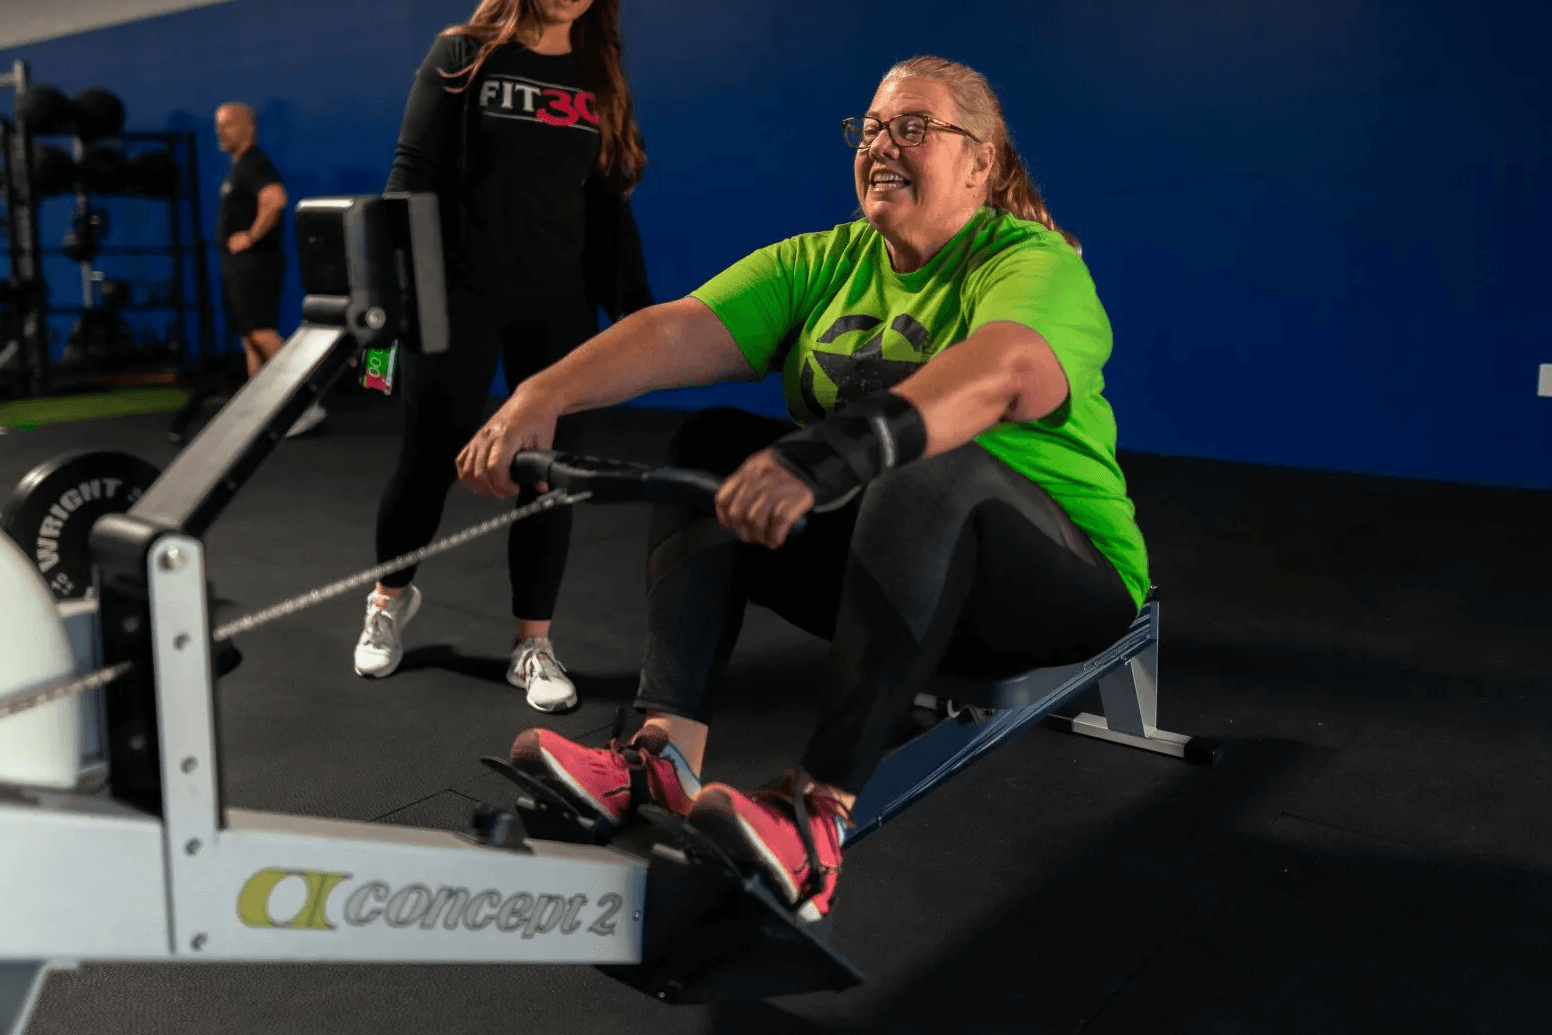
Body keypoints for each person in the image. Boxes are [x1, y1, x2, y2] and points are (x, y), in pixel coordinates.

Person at [458, 55, 1150, 923]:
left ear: (981, 163)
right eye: (871, 128)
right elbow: (680, 328)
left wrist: (836, 451)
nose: (881, 145)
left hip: (1053, 581)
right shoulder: (827, 260)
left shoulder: (1031, 264)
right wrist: (542, 394)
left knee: (923, 469)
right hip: (894, 566)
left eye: (913, 128)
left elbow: (1005, 369)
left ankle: (815, 822)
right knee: (711, 445)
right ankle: (661, 757)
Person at [356, 0, 653, 713]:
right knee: (427, 460)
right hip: (458, 298)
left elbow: (607, 204)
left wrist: (638, 317)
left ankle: (533, 643)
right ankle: (388, 602)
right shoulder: (463, 54)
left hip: (558, 305)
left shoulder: (597, 76)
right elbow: (410, 177)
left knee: (546, 477)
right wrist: (386, 316)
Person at [214, 102, 324, 437]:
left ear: (249, 126)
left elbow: (275, 199)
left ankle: (306, 403)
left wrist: (250, 236)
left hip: (255, 265)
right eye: (219, 125)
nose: (221, 131)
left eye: (229, 124)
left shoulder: (255, 164)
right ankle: (262, 411)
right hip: (240, 266)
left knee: (261, 333)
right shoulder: (239, 167)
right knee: (250, 338)